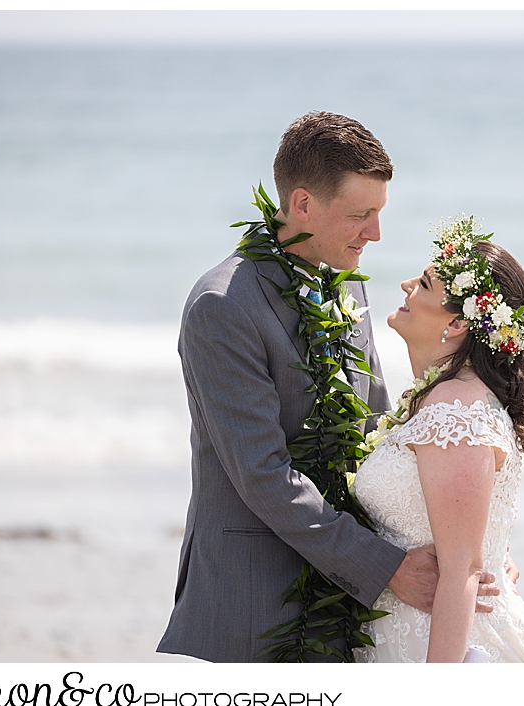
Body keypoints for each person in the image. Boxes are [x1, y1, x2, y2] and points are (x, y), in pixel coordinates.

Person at [156, 112, 503, 663]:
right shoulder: (221, 308)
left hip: (350, 611)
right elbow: (263, 474)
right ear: (302, 205)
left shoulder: (347, 287)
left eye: (380, 213)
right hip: (255, 601)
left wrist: (470, 548)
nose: (376, 233)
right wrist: (384, 567)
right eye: (360, 215)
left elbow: (377, 433)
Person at [353, 217, 524, 663]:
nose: (406, 284)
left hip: (444, 645)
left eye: (425, 284)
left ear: (455, 325)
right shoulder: (440, 398)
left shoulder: (456, 408)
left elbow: (463, 572)